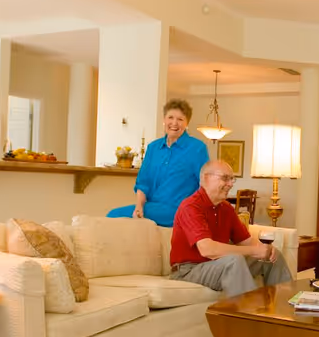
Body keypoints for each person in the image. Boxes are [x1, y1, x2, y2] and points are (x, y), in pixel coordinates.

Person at [168, 160, 292, 297]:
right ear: (205, 178)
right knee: (234, 261)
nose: (230, 184)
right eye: (225, 178)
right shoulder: (191, 207)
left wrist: (264, 249)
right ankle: (248, 316)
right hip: (188, 271)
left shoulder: (226, 208)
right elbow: (207, 249)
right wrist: (253, 250)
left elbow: (246, 241)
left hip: (217, 265)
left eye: (232, 179)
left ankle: (285, 309)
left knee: (272, 257)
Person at [108, 99, 209, 225]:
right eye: (170, 117)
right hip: (152, 207)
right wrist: (138, 207)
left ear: (187, 123)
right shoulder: (153, 148)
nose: (174, 123)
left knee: (113, 215)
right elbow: (143, 183)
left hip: (180, 210)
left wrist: (197, 213)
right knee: (114, 216)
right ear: (164, 120)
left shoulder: (197, 148)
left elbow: (206, 184)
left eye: (180, 119)